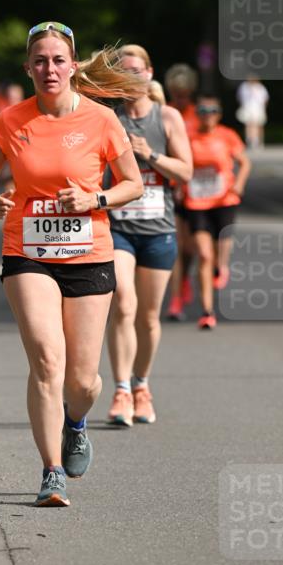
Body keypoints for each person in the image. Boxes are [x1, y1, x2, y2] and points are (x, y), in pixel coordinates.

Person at [0, 21, 145, 506]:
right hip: (26, 251)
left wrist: (95, 198)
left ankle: (76, 423)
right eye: (40, 61)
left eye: (57, 60)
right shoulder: (10, 121)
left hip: (89, 252)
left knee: (83, 381)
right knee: (47, 358)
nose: (49, 69)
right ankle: (50, 472)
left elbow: (133, 184)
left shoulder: (102, 120)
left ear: (72, 66)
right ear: (28, 68)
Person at [104, 45, 193, 426]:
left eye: (137, 71)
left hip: (159, 231)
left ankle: (142, 385)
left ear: (149, 73)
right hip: (119, 227)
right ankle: (122, 390)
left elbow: (185, 172)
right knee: (123, 302)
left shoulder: (168, 117)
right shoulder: (109, 118)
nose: (132, 78)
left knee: (149, 316)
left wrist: (149, 154)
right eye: (123, 73)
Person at [181, 96, 251, 329]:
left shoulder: (227, 135)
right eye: (203, 110)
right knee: (203, 254)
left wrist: (239, 183)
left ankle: (222, 266)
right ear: (198, 113)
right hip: (196, 202)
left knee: (221, 245)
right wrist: (178, 187)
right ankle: (207, 311)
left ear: (219, 114)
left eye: (213, 110)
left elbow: (245, 162)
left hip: (224, 199)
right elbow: (181, 165)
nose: (208, 114)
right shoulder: (189, 138)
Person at [164, 63, 200, 320]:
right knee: (177, 245)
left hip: (197, 189)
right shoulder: (164, 113)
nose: (181, 97)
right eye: (177, 93)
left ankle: (186, 278)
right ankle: (175, 300)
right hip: (173, 187)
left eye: (185, 93)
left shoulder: (198, 115)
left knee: (190, 248)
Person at [236, 76, 269, 148]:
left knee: (259, 125)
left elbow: (265, 99)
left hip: (259, 109)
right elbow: (239, 98)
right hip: (248, 108)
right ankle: (250, 141)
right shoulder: (244, 87)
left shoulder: (260, 87)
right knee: (249, 125)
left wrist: (263, 108)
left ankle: (260, 142)